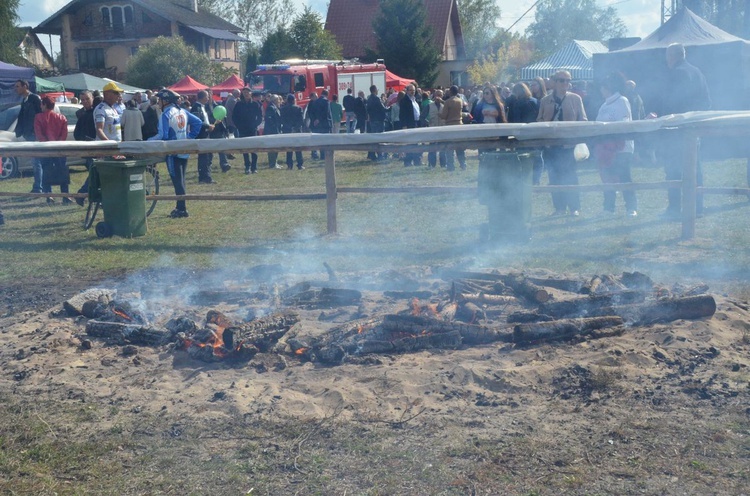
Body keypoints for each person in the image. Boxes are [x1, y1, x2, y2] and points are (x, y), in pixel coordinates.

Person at [660, 42, 711, 219]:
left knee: (673, 169)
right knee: (695, 168)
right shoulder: (698, 73)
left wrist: (660, 116)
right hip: (695, 128)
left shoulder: (677, 74)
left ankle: (674, 209)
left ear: (672, 56)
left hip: (678, 130)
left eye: (667, 56)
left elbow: (672, 103)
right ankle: (698, 208)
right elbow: (707, 103)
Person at [537, 70, 587, 217]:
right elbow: (539, 120)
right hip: (551, 146)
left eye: (567, 80)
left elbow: (583, 119)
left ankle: (574, 207)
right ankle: (559, 208)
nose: (565, 83)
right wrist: (548, 126)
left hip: (569, 146)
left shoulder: (576, 99)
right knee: (554, 177)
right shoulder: (545, 101)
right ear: (554, 82)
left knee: (571, 177)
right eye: (561, 80)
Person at [148, 89, 202, 218]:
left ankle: (181, 209)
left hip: (173, 152)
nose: (158, 103)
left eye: (160, 100)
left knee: (177, 181)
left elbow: (163, 135)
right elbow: (198, 123)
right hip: (184, 150)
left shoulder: (166, 114)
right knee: (181, 180)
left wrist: (147, 141)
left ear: (165, 101)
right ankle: (180, 207)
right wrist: (189, 138)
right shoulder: (182, 111)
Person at [595, 72, 637, 217]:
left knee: (625, 177)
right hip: (606, 149)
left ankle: (631, 208)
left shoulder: (622, 101)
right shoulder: (603, 105)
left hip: (622, 147)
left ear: (609, 87)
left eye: (603, 87)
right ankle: (608, 208)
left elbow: (624, 123)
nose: (601, 90)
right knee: (607, 178)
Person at [34, 96, 70, 204]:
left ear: (44, 105)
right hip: (59, 149)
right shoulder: (62, 118)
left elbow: (39, 135)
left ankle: (49, 196)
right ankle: (65, 195)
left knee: (46, 172)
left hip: (46, 149)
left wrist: (47, 143)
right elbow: (64, 136)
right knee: (62, 172)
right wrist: (56, 143)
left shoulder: (38, 117)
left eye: (41, 104)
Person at [507, 82, 543, 184]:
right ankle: (536, 179)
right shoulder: (536, 101)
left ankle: (525, 178)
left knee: (523, 157)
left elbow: (516, 121)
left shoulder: (518, 104)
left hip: (523, 134)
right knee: (537, 157)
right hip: (536, 132)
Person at [14, 79, 43, 193]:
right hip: (29, 135)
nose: (16, 89)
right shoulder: (24, 100)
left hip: (36, 135)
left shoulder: (34, 99)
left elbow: (40, 116)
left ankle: (38, 188)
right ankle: (38, 187)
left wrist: (37, 133)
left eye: (18, 86)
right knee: (35, 162)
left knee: (37, 162)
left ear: (25, 86)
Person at [73, 91, 100, 205]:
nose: (85, 102)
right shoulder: (82, 115)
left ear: (92, 98)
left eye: (87, 99)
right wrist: (86, 140)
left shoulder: (96, 112)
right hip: (90, 149)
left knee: (96, 174)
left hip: (98, 147)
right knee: (95, 173)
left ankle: (89, 196)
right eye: (83, 100)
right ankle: (82, 193)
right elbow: (76, 134)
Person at [232, 88, 263, 174]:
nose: (246, 94)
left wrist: (255, 125)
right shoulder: (239, 104)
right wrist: (238, 126)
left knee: (254, 149)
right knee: (245, 149)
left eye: (247, 92)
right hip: (242, 129)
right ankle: (247, 166)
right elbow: (234, 117)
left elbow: (260, 117)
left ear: (251, 93)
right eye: (244, 92)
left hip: (252, 129)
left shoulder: (255, 104)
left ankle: (254, 167)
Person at [438, 85, 467, 171]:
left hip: (450, 125)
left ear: (450, 92)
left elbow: (444, 116)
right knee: (460, 147)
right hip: (459, 125)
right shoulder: (460, 101)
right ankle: (463, 164)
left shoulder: (447, 102)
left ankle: (450, 166)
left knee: (449, 147)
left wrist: (438, 114)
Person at [191, 90, 216, 183]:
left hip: (206, 134)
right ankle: (204, 177)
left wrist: (211, 124)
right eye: (207, 96)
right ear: (202, 97)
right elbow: (197, 122)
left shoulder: (203, 107)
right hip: (201, 135)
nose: (208, 98)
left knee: (209, 155)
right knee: (204, 157)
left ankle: (207, 175)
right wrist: (207, 126)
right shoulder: (195, 107)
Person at [280, 93, 305, 170]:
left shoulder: (283, 109)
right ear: (294, 100)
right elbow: (301, 121)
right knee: (298, 148)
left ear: (287, 100)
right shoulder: (298, 108)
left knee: (289, 148)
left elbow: (282, 120)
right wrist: (295, 128)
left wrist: (289, 128)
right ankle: (300, 164)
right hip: (296, 130)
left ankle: (289, 164)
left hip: (287, 130)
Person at [307, 89, 332, 160]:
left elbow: (311, 113)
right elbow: (326, 113)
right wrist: (319, 119)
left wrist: (314, 120)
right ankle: (325, 155)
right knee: (326, 140)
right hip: (325, 124)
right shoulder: (326, 101)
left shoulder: (314, 102)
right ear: (327, 94)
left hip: (317, 125)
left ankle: (321, 155)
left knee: (319, 140)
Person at [399, 84, 421, 166]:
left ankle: (417, 161)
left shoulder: (415, 100)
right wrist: (404, 125)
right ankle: (408, 161)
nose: (413, 92)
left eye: (414, 90)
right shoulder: (404, 100)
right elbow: (402, 115)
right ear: (407, 91)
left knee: (416, 143)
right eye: (411, 90)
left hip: (416, 123)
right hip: (409, 124)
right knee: (410, 144)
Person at [366, 84, 388, 161]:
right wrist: (389, 108)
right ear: (375, 90)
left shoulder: (369, 99)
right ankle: (380, 155)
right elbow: (383, 109)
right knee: (380, 138)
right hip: (379, 120)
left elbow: (367, 109)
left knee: (373, 138)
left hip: (372, 120)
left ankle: (372, 154)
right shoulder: (377, 99)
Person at [425, 89, 446, 168]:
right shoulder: (429, 105)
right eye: (437, 95)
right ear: (434, 96)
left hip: (442, 128)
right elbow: (422, 116)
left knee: (442, 147)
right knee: (432, 147)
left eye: (440, 95)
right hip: (432, 128)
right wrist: (427, 123)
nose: (438, 97)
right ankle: (431, 164)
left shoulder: (444, 106)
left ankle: (443, 164)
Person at [264, 93, 283, 169]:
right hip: (271, 131)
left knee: (276, 147)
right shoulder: (271, 108)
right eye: (278, 99)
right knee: (272, 148)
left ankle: (275, 162)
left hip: (276, 130)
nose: (279, 101)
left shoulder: (275, 107)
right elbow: (270, 120)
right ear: (275, 100)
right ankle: (272, 164)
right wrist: (275, 129)